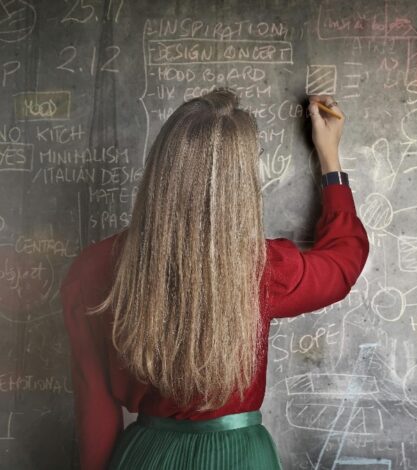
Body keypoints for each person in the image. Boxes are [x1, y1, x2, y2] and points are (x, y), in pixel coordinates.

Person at [59, 89, 369, 469]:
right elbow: (343, 262)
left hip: (145, 456)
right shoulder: (262, 268)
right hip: (239, 457)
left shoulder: (92, 270)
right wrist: (330, 161)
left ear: (161, 166)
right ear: (241, 182)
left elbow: (95, 410)